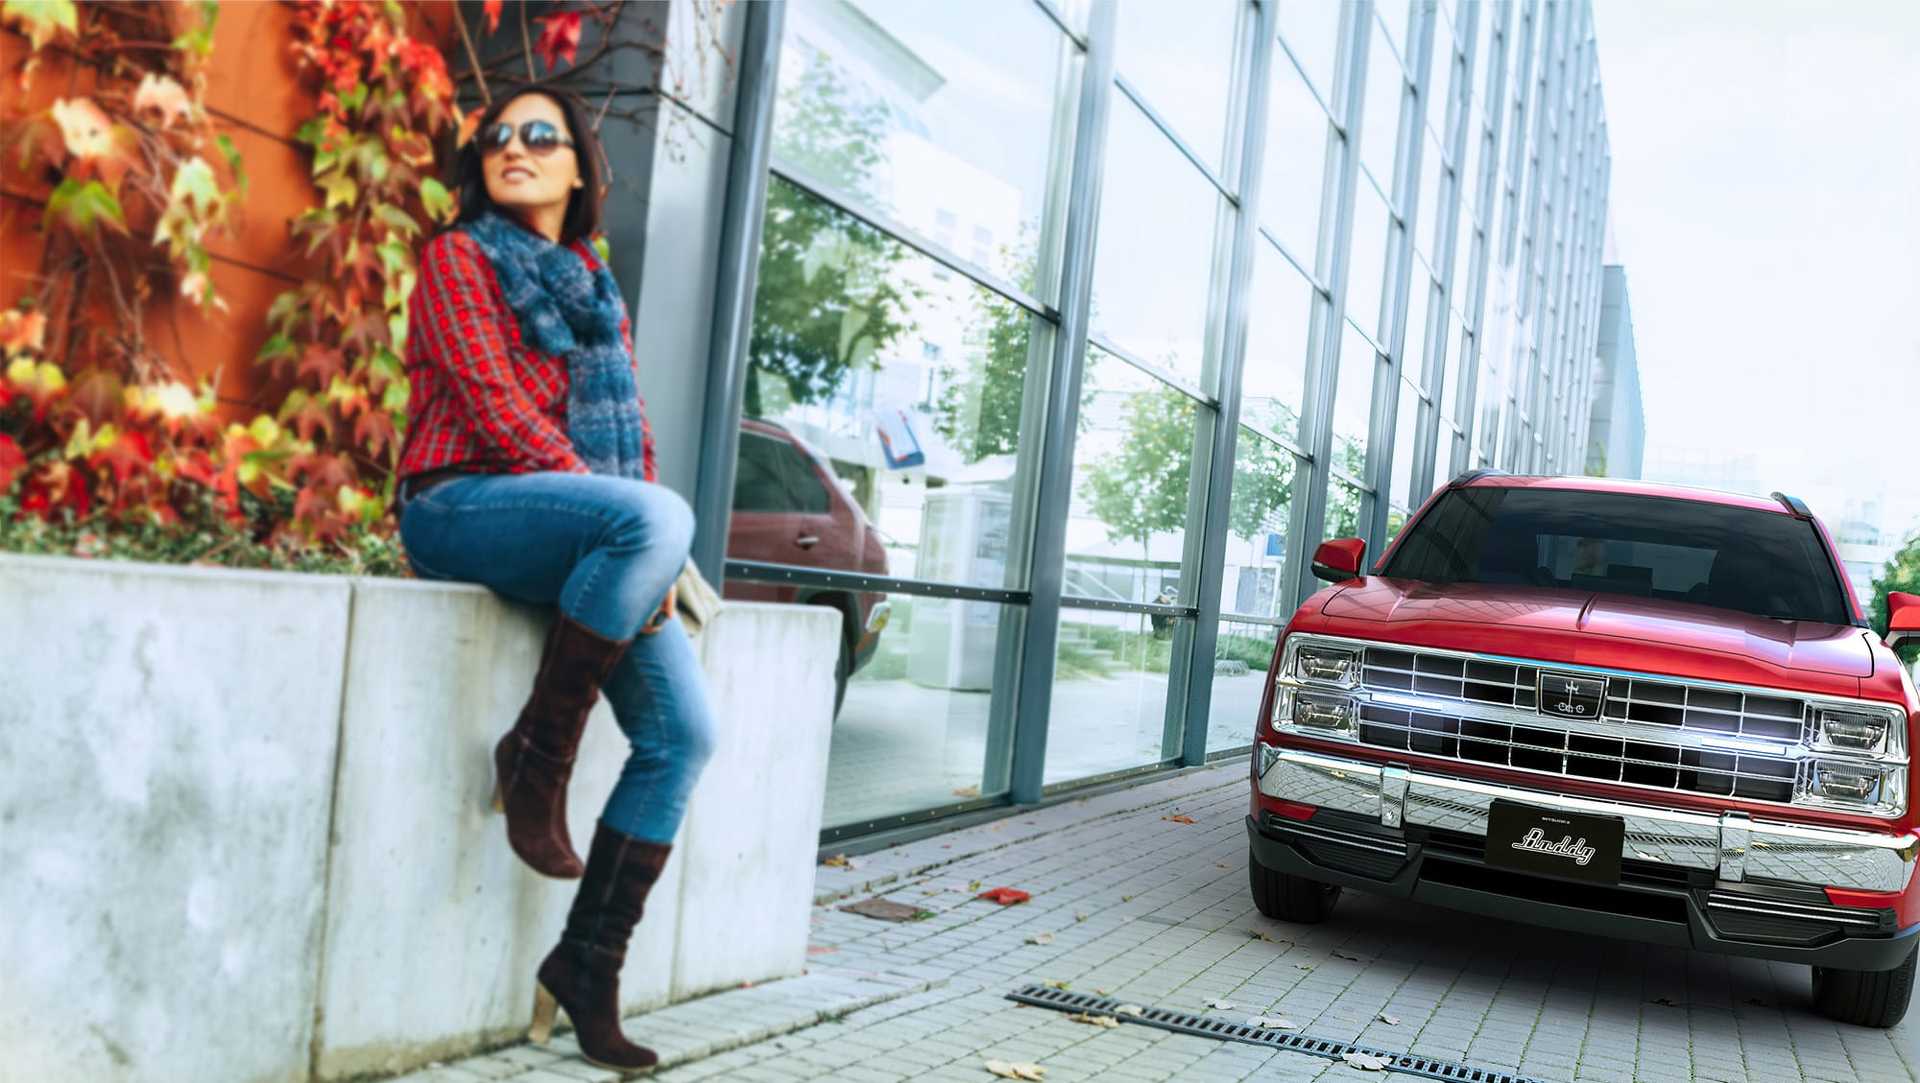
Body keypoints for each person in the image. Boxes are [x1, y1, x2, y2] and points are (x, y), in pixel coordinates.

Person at [392, 85, 715, 1074]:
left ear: (579, 168)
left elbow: (636, 439)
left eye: (542, 135)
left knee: (684, 735)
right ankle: (537, 756)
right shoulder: (458, 257)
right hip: (459, 504)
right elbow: (494, 409)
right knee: (653, 515)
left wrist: (646, 557)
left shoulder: (593, 282)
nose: (515, 147)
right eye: (498, 136)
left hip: (577, 526)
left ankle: (586, 963)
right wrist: (634, 527)